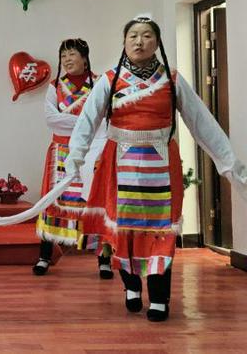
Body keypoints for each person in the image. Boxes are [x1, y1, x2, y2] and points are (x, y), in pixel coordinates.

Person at [65, 16, 247, 322]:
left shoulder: (172, 81)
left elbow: (202, 123)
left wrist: (230, 164)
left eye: (147, 36)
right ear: (124, 42)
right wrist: (75, 157)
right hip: (118, 166)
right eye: (133, 36)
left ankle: (160, 297)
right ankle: (132, 287)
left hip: (161, 164)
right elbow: (86, 122)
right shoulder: (109, 80)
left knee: (161, 232)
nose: (139, 41)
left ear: (157, 42)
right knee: (124, 231)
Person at [33, 38, 112, 278]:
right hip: (60, 151)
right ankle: (45, 256)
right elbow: (51, 119)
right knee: (53, 201)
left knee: (95, 202)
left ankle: (104, 259)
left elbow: (105, 118)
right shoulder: (54, 86)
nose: (67, 60)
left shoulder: (101, 84)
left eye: (72, 54)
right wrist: (88, 122)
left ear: (85, 58)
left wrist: (83, 124)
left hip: (93, 150)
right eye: (63, 56)